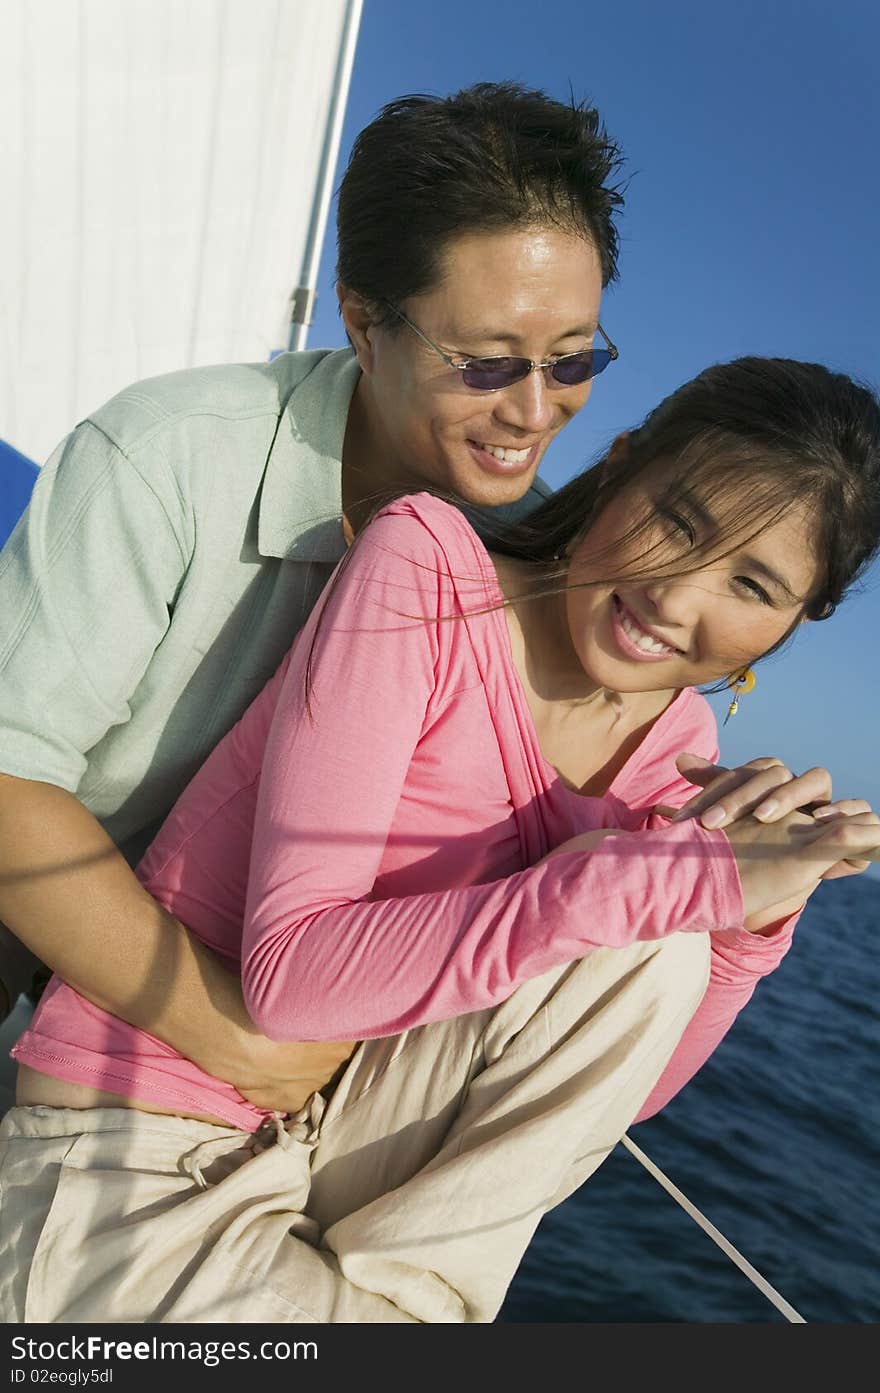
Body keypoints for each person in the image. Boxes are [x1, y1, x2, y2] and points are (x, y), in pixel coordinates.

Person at [2, 355, 879, 1324]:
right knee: (638, 891)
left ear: (797, 621)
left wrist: (752, 920)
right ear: (622, 465)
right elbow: (292, 980)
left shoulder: (677, 754)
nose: (675, 599)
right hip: (134, 1150)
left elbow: (598, 1099)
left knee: (663, 942)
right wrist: (672, 876)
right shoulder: (425, 573)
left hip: (333, 1164)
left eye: (750, 584)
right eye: (677, 521)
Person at [0, 81, 625, 1106]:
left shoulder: (529, 551)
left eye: (574, 360)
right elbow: (7, 784)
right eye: (484, 364)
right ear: (363, 323)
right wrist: (227, 1033)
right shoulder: (167, 455)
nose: (532, 411)